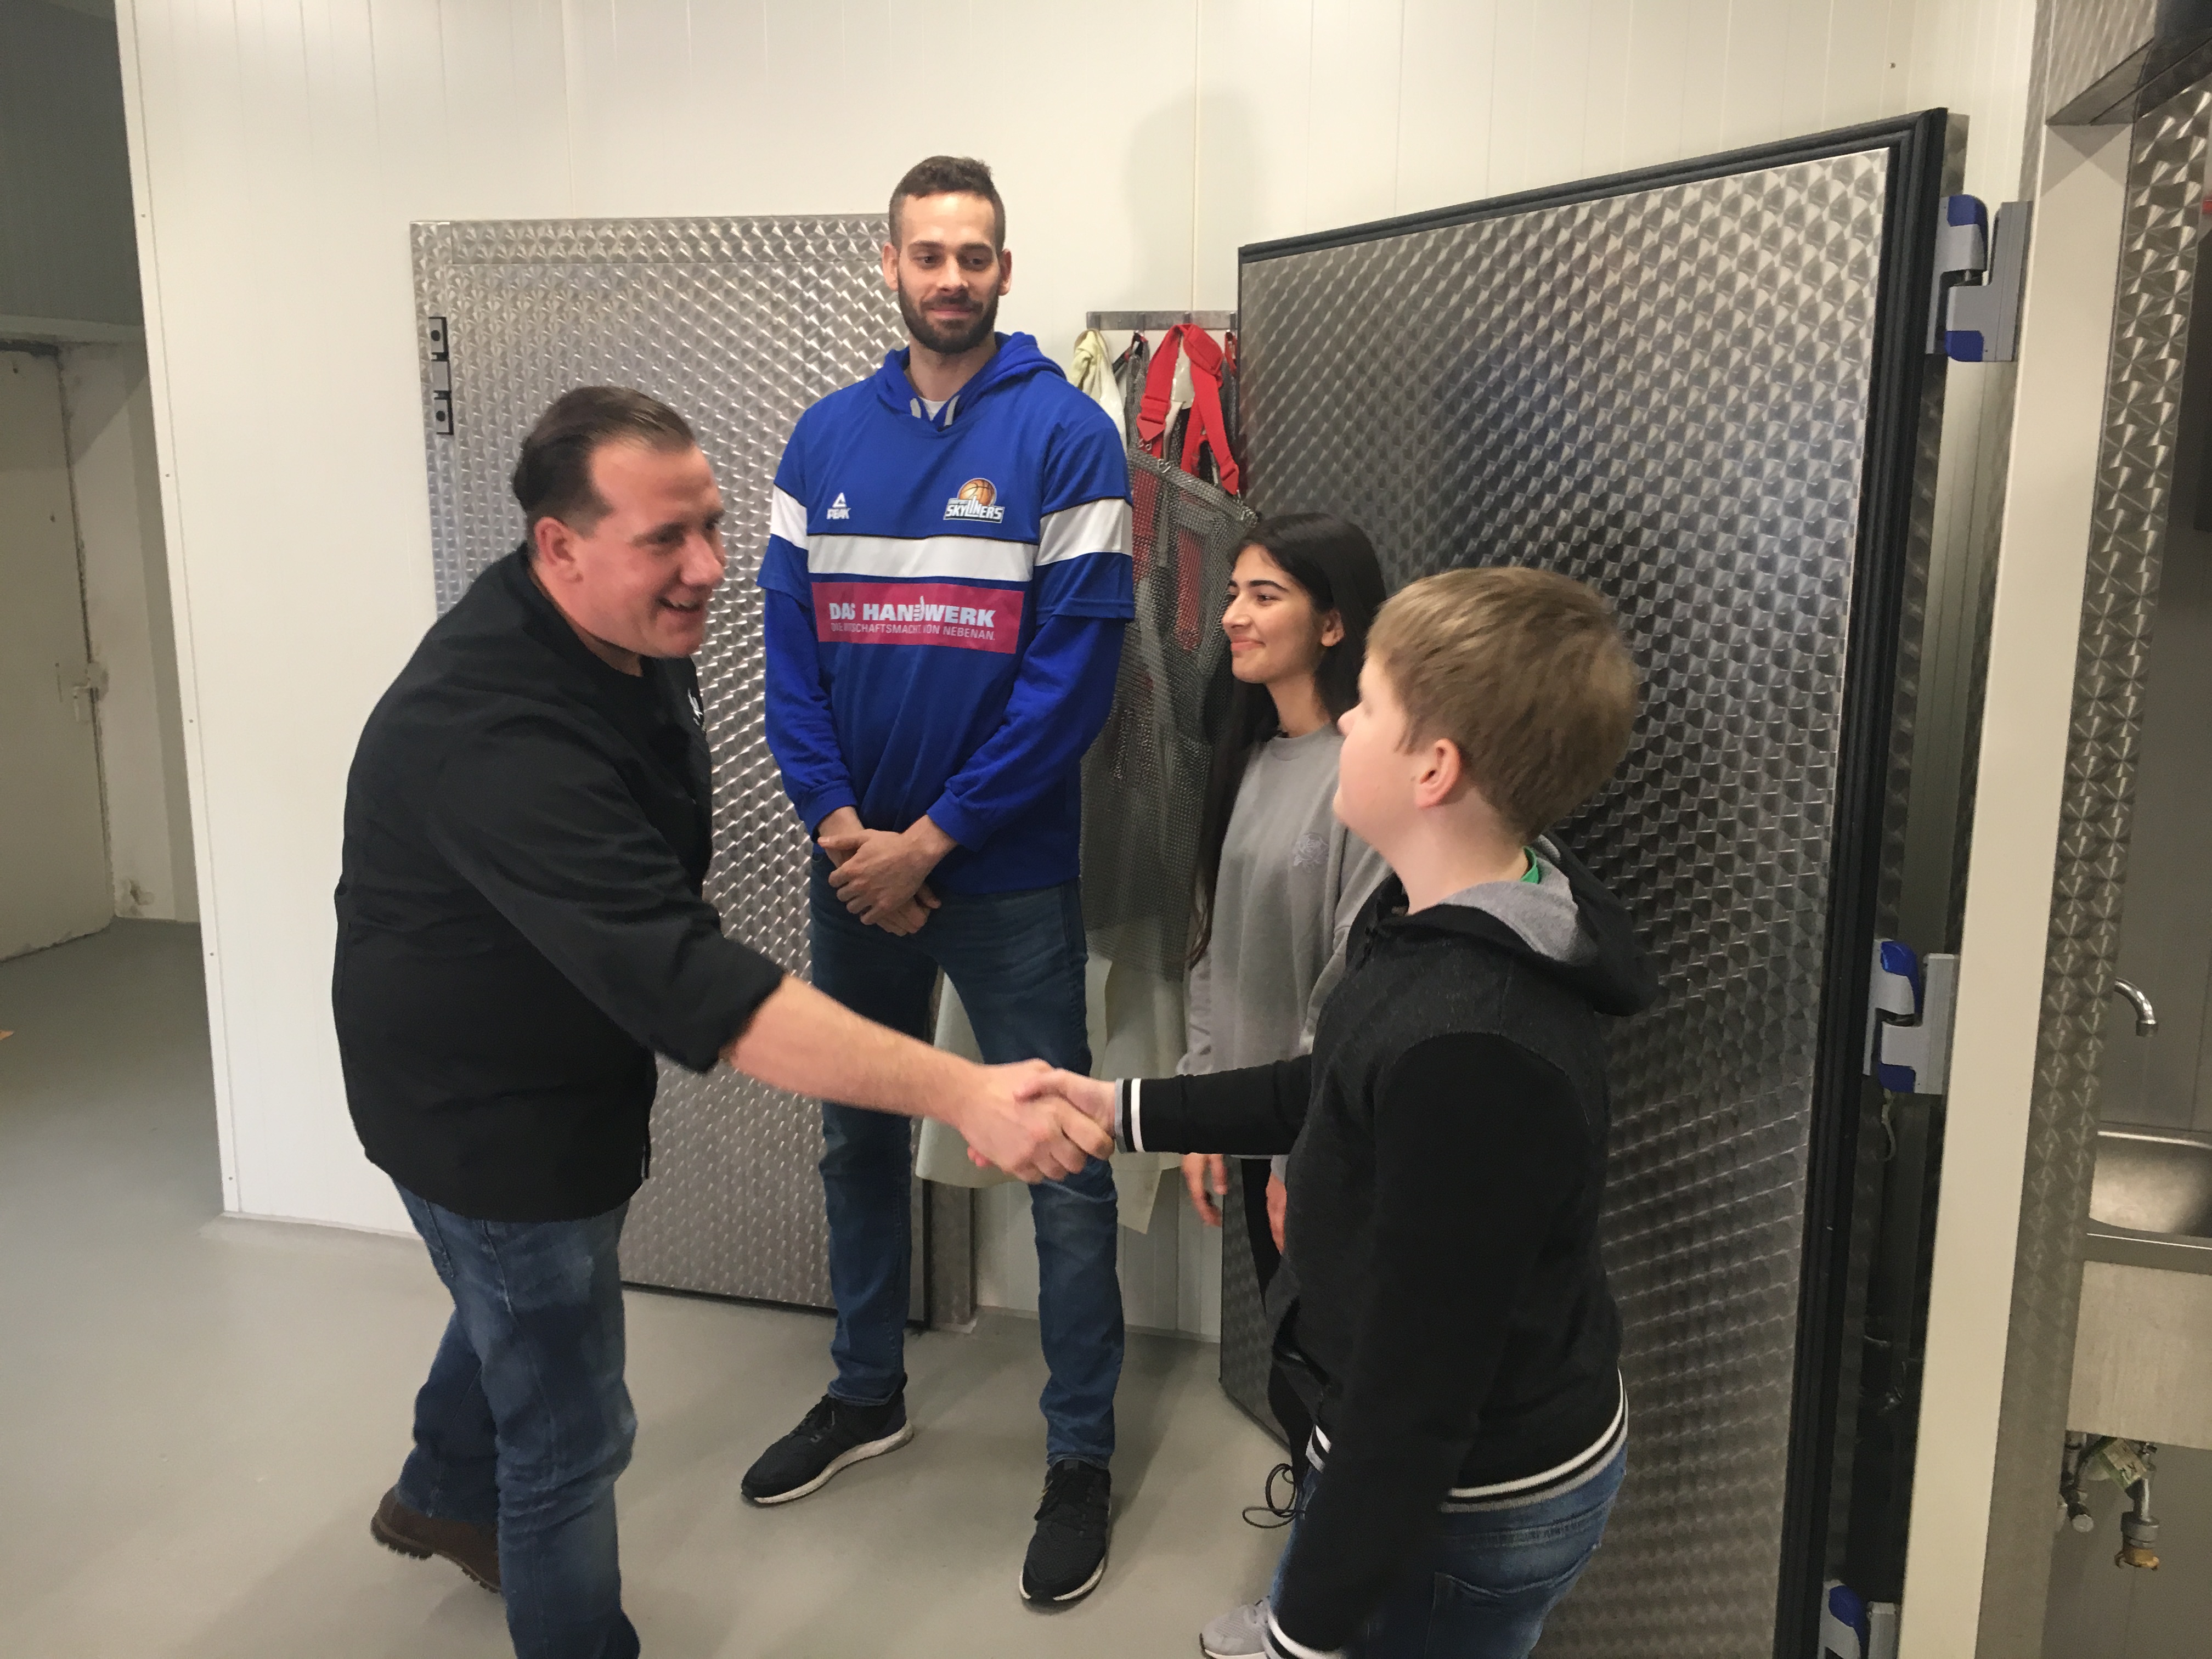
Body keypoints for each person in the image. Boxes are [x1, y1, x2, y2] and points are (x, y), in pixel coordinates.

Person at [332, 385, 1108, 1659]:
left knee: (512, 1300)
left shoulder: (620, 632)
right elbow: (701, 990)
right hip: (484, 1112)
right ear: (559, 547)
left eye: (712, 526)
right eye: (665, 539)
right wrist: (966, 1090)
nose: (707, 568)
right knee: (572, 1431)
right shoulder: (491, 729)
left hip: (566, 1066)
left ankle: (441, 1491)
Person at [1035, 566, 1659, 1659]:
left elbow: (1414, 1404)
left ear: (1435, 768)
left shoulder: (1475, 1048)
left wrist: (1306, 1636)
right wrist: (1122, 1109)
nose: (1346, 723)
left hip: (1465, 1509)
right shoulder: (1443, 914)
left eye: (1366, 704)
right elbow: (1326, 1082)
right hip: (1417, 1470)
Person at [747, 155, 1135, 1604]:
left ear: (1005, 270)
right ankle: (868, 1391)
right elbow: (789, 657)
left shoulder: (1067, 436)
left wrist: (935, 841)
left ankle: (1080, 1453)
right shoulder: (821, 438)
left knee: (1059, 1157)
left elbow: (1073, 681)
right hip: (855, 869)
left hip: (1007, 873)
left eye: (976, 255)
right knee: (855, 1140)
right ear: (892, 265)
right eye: (929, 253)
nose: (952, 277)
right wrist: (847, 831)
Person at [1174, 514, 1389, 1508]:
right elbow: (1213, 942)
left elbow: (1350, 984)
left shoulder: (1364, 773)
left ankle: (1333, 1567)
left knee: (1349, 1377)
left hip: (1327, 1140)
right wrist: (1201, 1106)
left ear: (1333, 625)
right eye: (1233, 594)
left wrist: (1307, 1160)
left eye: (1266, 596)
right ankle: (1316, 1534)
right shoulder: (1250, 758)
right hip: (1265, 1129)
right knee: (1298, 1361)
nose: (1234, 616)